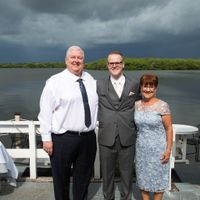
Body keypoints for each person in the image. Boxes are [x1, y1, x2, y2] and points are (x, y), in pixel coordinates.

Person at [38, 46, 98, 200]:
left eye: (80, 58)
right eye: (73, 57)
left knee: (84, 179)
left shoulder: (90, 79)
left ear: (83, 61)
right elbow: (45, 112)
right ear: (66, 60)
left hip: (88, 138)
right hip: (64, 138)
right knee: (61, 179)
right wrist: (46, 138)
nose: (76, 61)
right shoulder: (55, 81)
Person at [97, 51, 140, 200]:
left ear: (123, 64)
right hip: (106, 134)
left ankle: (126, 197)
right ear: (107, 65)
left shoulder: (134, 84)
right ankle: (108, 197)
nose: (114, 65)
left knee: (127, 173)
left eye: (117, 62)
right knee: (107, 173)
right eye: (111, 63)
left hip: (127, 134)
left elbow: (143, 103)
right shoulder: (99, 84)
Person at [134, 74, 173, 200]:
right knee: (143, 181)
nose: (148, 89)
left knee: (158, 182)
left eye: (151, 86)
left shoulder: (163, 106)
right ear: (141, 87)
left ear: (156, 88)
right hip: (141, 150)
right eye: (145, 86)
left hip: (158, 150)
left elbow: (169, 129)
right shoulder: (136, 105)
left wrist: (168, 150)